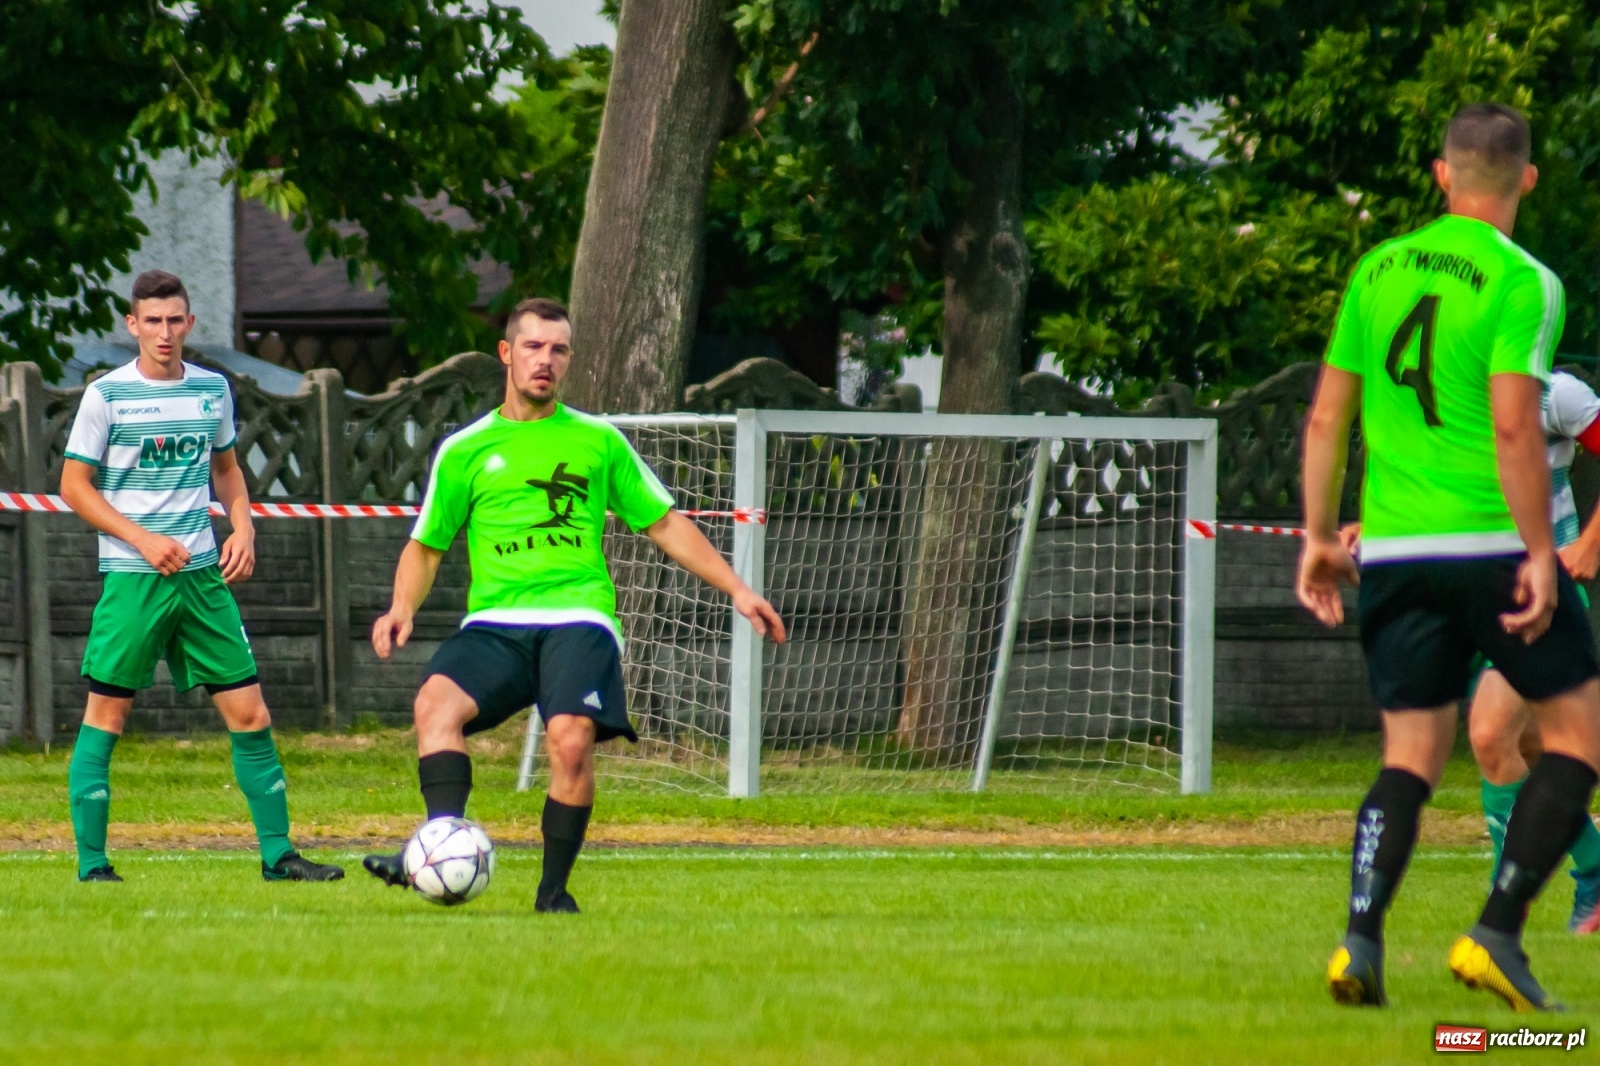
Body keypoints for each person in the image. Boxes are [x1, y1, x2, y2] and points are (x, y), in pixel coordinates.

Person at [1299, 103, 1600, 1012]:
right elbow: (1513, 424)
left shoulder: (1377, 268)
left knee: (1409, 760)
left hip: (1395, 555)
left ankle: (1359, 942)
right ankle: (1496, 932)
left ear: (1441, 174)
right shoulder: (1524, 280)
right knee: (1581, 739)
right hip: (1489, 546)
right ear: (1528, 179)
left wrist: (1319, 537)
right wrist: (1542, 552)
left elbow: (1328, 418)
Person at [363, 297, 786, 912]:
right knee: (435, 706)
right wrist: (401, 606)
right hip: (496, 625)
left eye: (558, 350)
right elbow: (426, 546)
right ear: (506, 354)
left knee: (568, 741)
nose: (545, 360)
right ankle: (436, 852)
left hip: (579, 620)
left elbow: (664, 522)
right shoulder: (464, 449)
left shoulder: (598, 440)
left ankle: (552, 894)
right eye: (533, 347)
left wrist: (739, 590)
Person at [60, 269, 344, 884]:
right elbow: (74, 487)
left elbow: (228, 470)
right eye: (152, 321)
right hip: (134, 577)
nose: (164, 332)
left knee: (251, 713)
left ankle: (279, 857)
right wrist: (141, 539)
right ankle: (93, 865)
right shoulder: (106, 395)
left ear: (189, 323)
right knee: (106, 717)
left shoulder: (213, 390)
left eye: (174, 320)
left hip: (202, 577)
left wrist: (243, 528)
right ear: (133, 325)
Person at [1337, 367, 1600, 934]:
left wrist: (1589, 544)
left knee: (1489, 733)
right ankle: (1594, 869)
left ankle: (1506, 909)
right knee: (1530, 750)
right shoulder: (1450, 400)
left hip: (1541, 595)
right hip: (1472, 594)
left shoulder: (1556, 393)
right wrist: (1377, 529)